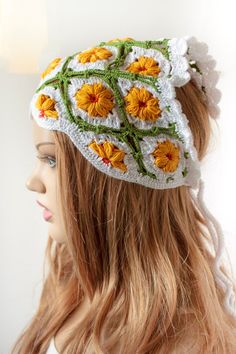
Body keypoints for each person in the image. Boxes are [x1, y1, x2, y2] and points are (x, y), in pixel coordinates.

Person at [11, 37, 236, 353]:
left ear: (114, 177)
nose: (33, 182)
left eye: (52, 160)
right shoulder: (73, 287)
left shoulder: (188, 343)